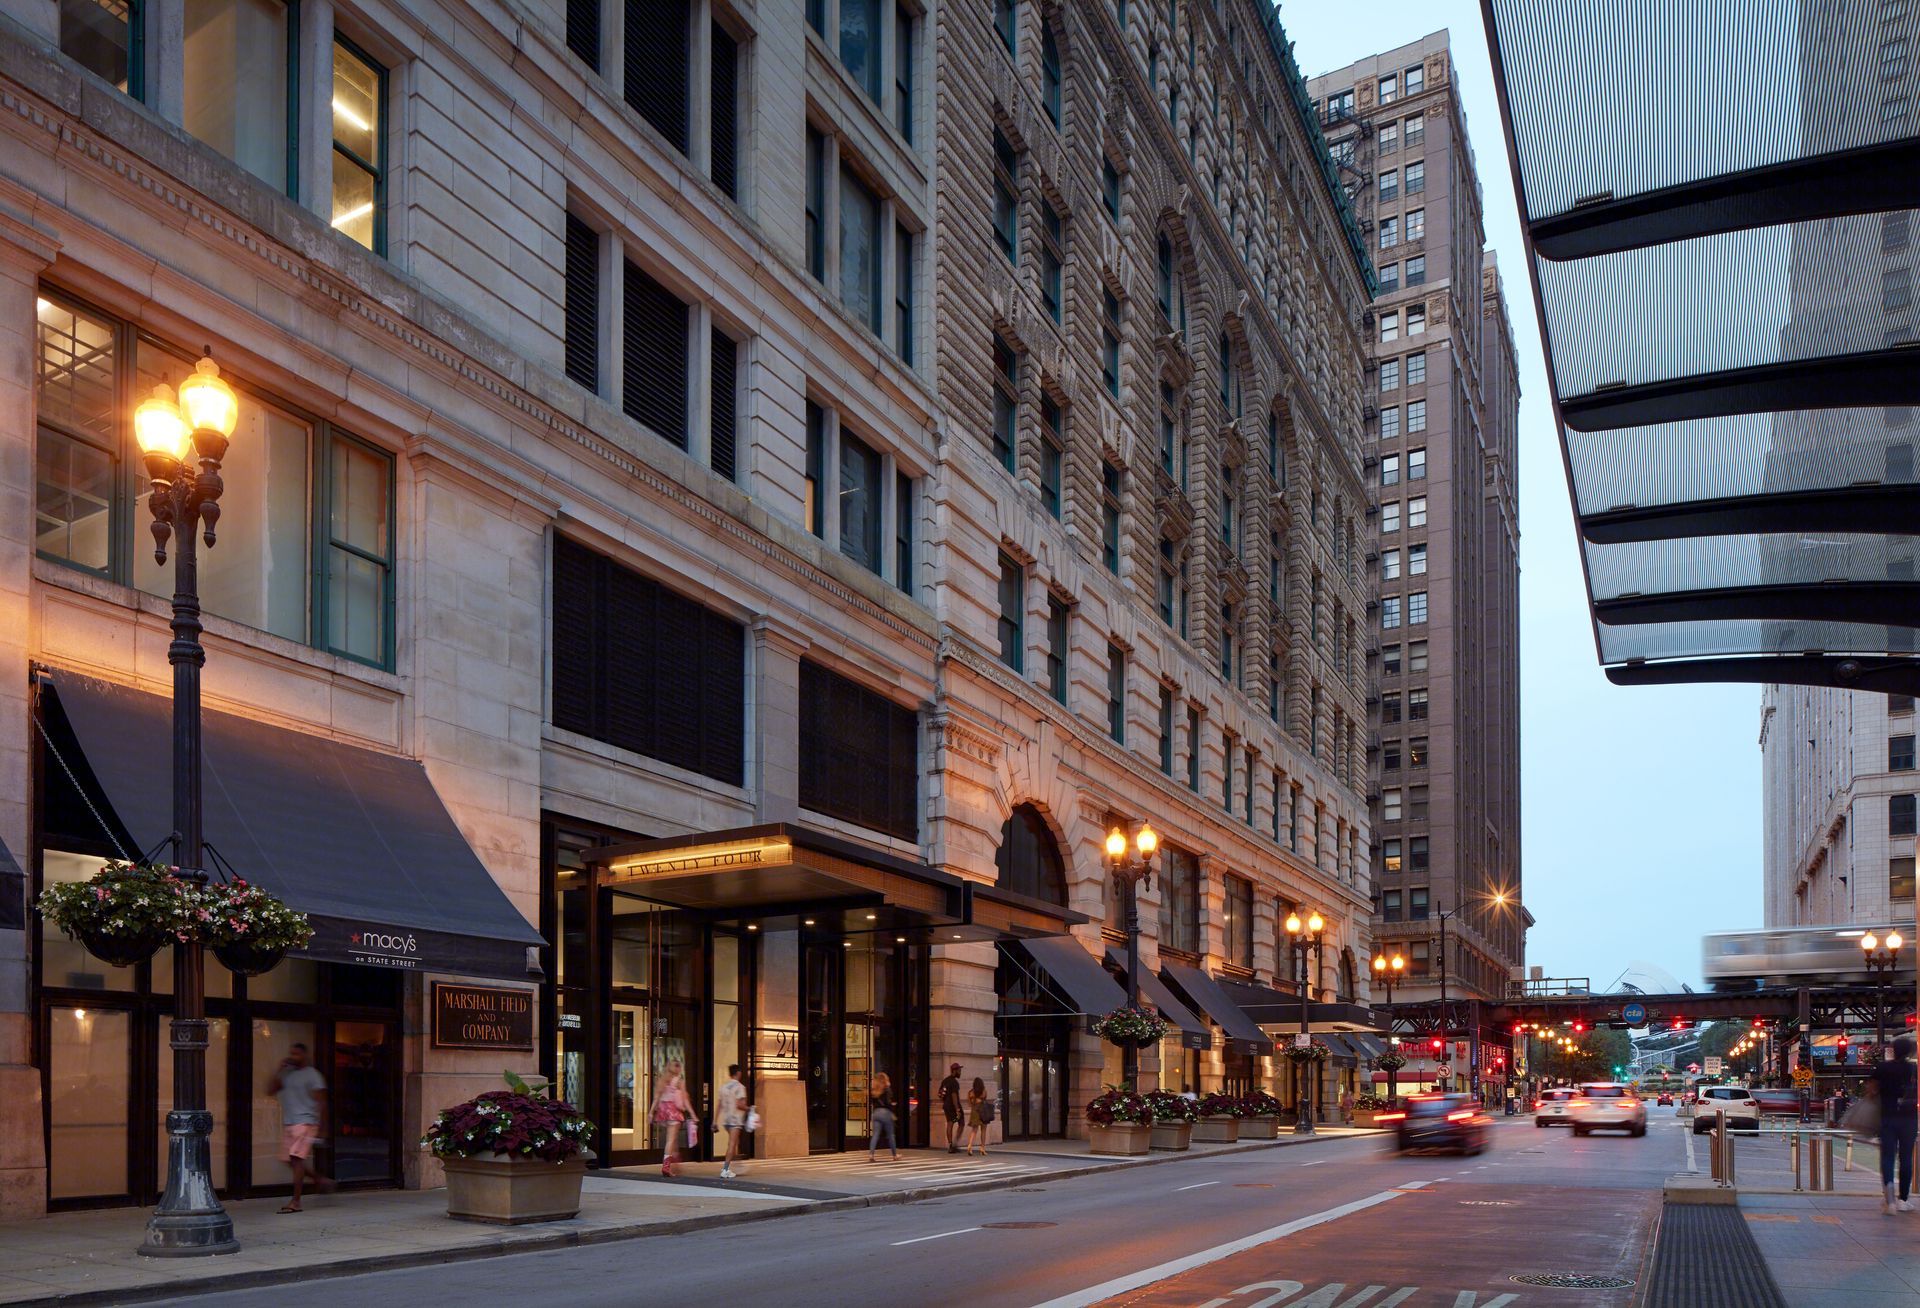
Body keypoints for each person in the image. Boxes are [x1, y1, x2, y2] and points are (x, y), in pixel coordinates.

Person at [266, 1043, 335, 1213]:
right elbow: (270, 1090)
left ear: (305, 1055)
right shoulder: (287, 1074)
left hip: (306, 1122)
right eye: (291, 1054)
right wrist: (279, 1070)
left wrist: (323, 1127)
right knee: (288, 1159)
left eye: (297, 1054)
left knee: (296, 1160)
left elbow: (322, 1103)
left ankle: (296, 1202)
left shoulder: (313, 1075)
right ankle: (320, 1180)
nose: (293, 1057)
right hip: (290, 1122)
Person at [1874, 1035, 1919, 1214]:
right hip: (1909, 1118)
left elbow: (1872, 1090)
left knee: (1887, 1157)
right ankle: (1903, 1199)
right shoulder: (1914, 1069)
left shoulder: (1883, 1068)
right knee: (1906, 1158)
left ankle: (1890, 1200)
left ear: (1892, 1050)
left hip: (1888, 1116)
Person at [651, 1057, 694, 1178]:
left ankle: (675, 1160)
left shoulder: (662, 1080)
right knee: (670, 1140)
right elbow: (685, 1100)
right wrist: (693, 1114)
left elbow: (657, 1097)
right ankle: (666, 1166)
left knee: (672, 1140)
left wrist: (650, 1112)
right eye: (678, 1066)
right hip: (673, 1111)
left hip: (663, 1111)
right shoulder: (679, 1081)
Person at [716, 1063, 750, 1180]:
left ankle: (735, 1164)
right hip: (735, 1120)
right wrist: (749, 1108)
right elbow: (740, 1104)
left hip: (726, 1119)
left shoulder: (723, 1087)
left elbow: (719, 1105)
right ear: (738, 1073)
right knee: (732, 1144)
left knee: (734, 1143)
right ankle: (725, 1169)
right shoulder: (740, 1087)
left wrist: (715, 1121)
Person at [869, 1071, 899, 1163]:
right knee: (890, 1135)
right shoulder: (887, 1089)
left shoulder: (874, 1091)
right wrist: (893, 1106)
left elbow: (872, 1102)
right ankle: (894, 1155)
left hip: (876, 1113)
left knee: (875, 1134)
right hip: (885, 1113)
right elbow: (888, 1102)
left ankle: (871, 1154)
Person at [939, 1062, 964, 1153]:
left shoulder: (945, 1081)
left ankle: (950, 1145)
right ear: (955, 1071)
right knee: (961, 1123)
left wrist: (945, 1102)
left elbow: (940, 1094)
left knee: (950, 1123)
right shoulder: (954, 1082)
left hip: (946, 1106)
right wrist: (957, 1109)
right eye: (959, 1071)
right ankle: (954, 1144)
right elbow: (954, 1096)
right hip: (954, 1106)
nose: (960, 1073)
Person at [964, 1076, 990, 1157]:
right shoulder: (984, 1091)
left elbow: (969, 1103)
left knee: (974, 1130)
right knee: (983, 1130)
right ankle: (982, 1148)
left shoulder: (970, 1092)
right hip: (982, 1112)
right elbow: (985, 1099)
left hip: (974, 1111)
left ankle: (970, 1145)